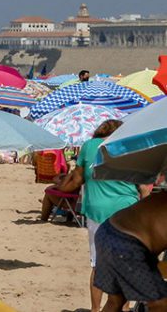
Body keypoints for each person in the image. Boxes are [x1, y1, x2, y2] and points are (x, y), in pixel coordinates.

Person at [39, 120, 145, 312]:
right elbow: (144, 185)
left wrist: (58, 186)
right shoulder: (130, 145)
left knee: (98, 263)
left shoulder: (89, 147)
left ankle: (95, 309)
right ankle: (125, 307)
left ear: (98, 132)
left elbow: (76, 180)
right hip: (127, 211)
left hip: (98, 211)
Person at [96, 191, 167, 311]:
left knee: (116, 301)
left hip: (107, 231)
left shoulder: (162, 196)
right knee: (159, 302)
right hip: (126, 242)